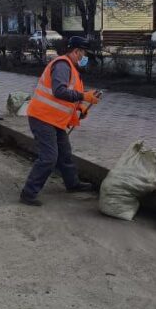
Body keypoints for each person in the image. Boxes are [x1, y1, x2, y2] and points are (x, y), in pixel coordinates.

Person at [19, 36, 101, 207]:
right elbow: (59, 91)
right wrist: (83, 96)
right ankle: (28, 193)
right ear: (76, 51)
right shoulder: (63, 65)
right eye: (83, 53)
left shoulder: (71, 68)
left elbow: (69, 97)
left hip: (53, 120)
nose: (84, 57)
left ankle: (72, 184)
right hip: (42, 118)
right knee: (49, 157)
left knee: (65, 153)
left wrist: (80, 109)